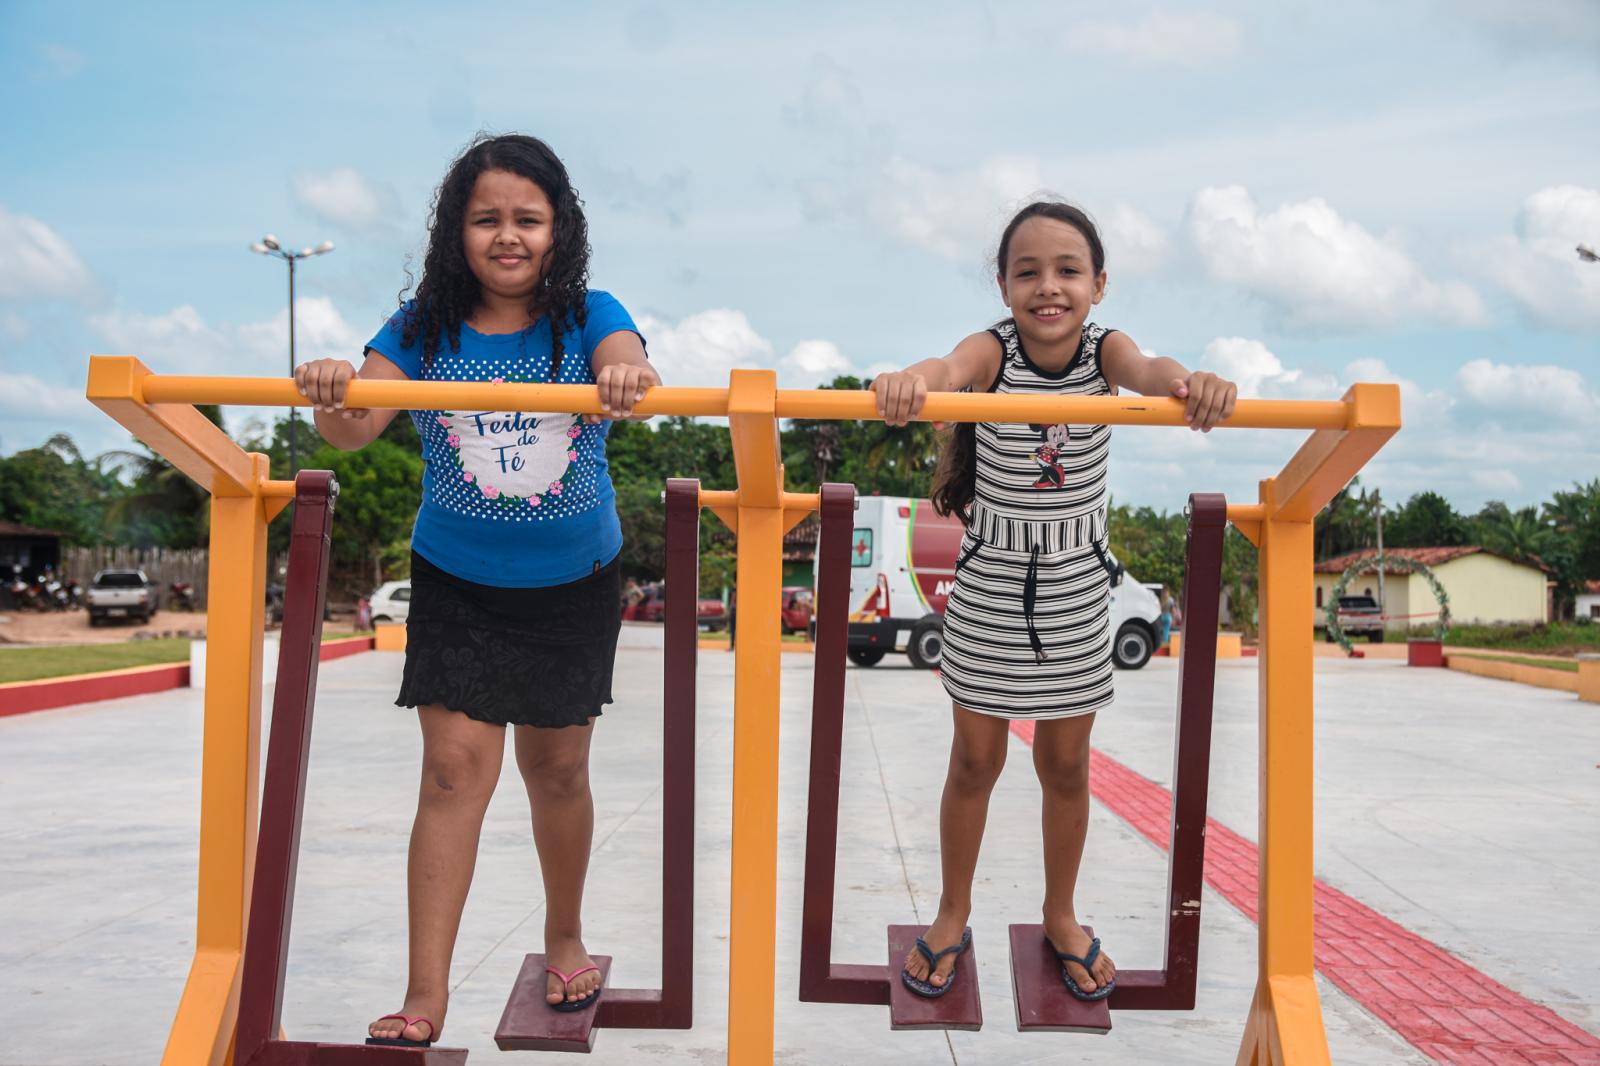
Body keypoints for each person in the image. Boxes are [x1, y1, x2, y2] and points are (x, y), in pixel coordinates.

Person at [294, 133, 659, 1048]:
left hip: (574, 579)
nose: (508, 236)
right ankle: (425, 994)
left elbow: (633, 363)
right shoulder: (422, 325)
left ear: (558, 230)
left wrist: (627, 374)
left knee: (557, 771)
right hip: (457, 578)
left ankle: (565, 932)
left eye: (527, 220)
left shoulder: (587, 316)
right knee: (453, 773)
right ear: (455, 232)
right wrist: (334, 391)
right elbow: (354, 426)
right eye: (486, 218)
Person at [871, 201, 1236, 1002]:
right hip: (992, 582)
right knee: (976, 759)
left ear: (1098, 285)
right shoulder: (992, 351)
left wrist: (1188, 382)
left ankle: (1061, 913)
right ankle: (951, 911)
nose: (1048, 287)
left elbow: (1151, 373)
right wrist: (911, 383)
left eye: (1068, 270)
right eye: (1027, 271)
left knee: (1065, 764)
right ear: (1003, 286)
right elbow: (944, 370)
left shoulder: (1107, 352)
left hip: (1074, 584)